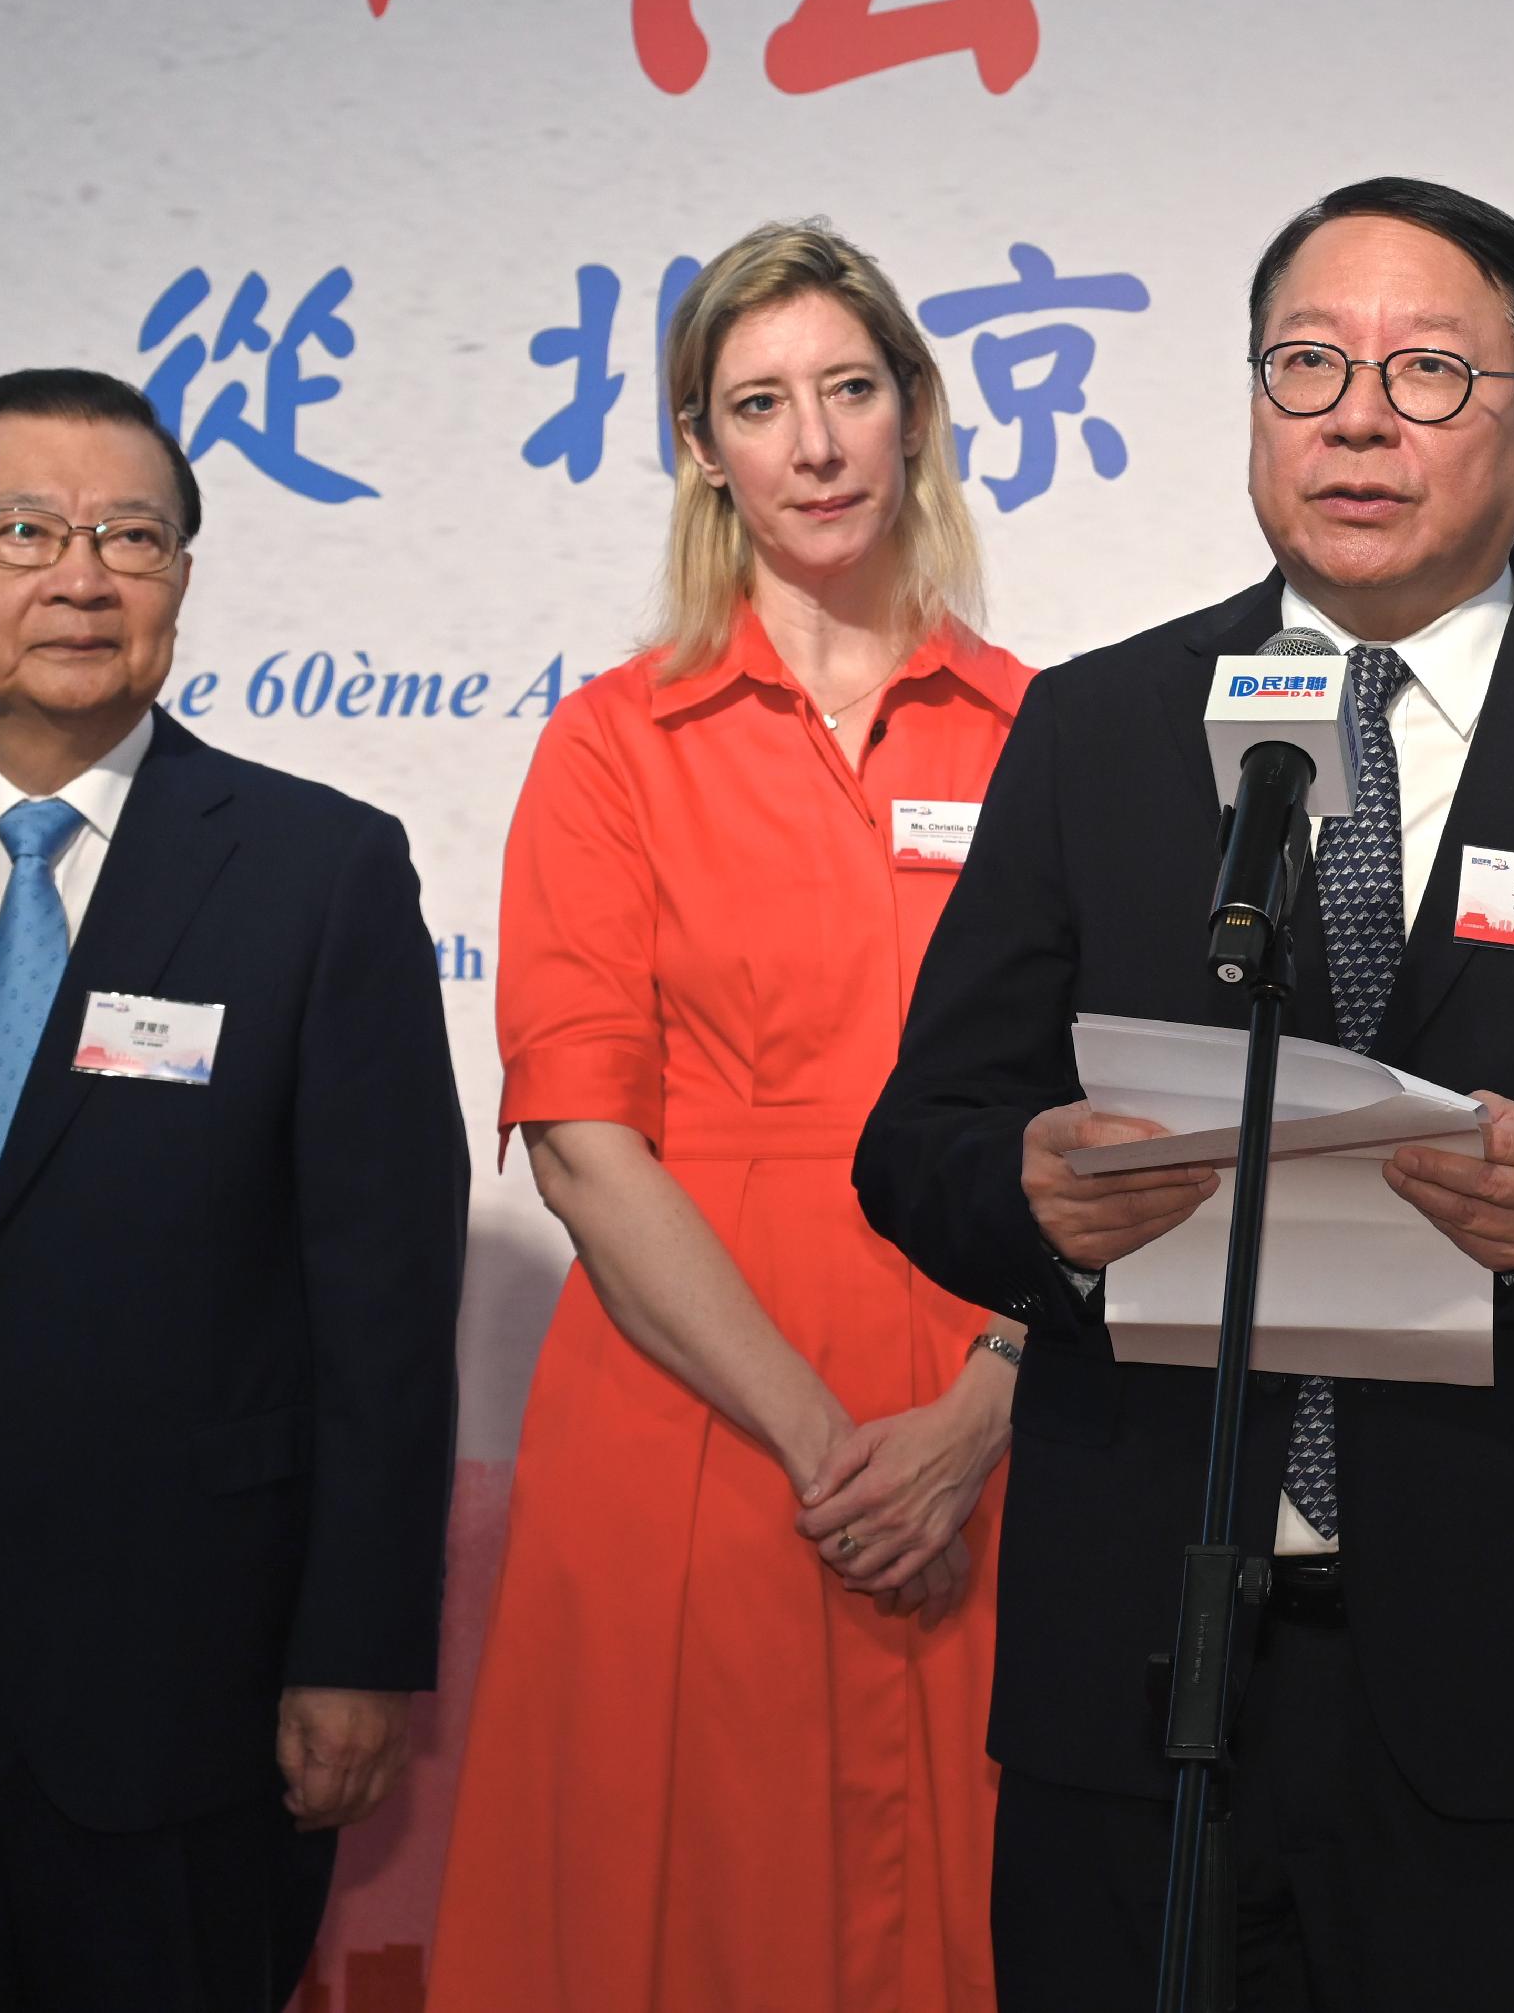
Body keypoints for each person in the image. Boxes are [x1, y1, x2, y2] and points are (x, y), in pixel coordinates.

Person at [855, 175, 1514, 2013]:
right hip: (1140, 1661)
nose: (1353, 415)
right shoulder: (1101, 728)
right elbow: (916, 1142)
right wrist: (1029, 1196)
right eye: (1306, 364)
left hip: (1511, 1679)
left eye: (1423, 372)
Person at [0, 367, 466, 2010]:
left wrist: (359, 1647)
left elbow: (384, 1303)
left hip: (186, 1678)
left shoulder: (320, 873)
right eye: (22, 528)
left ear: (182, 577)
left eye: (131, 533)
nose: (80, 574)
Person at [431, 223, 1031, 2013]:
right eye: (761, 404)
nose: (818, 443)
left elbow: (1128, 1113)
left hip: (994, 1395)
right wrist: (822, 1441)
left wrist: (983, 1409)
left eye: (851, 390)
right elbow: (588, 1143)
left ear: (916, 412)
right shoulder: (616, 743)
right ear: (704, 446)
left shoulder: (1045, 734)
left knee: (996, 1887)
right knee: (684, 1912)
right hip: (698, 1405)